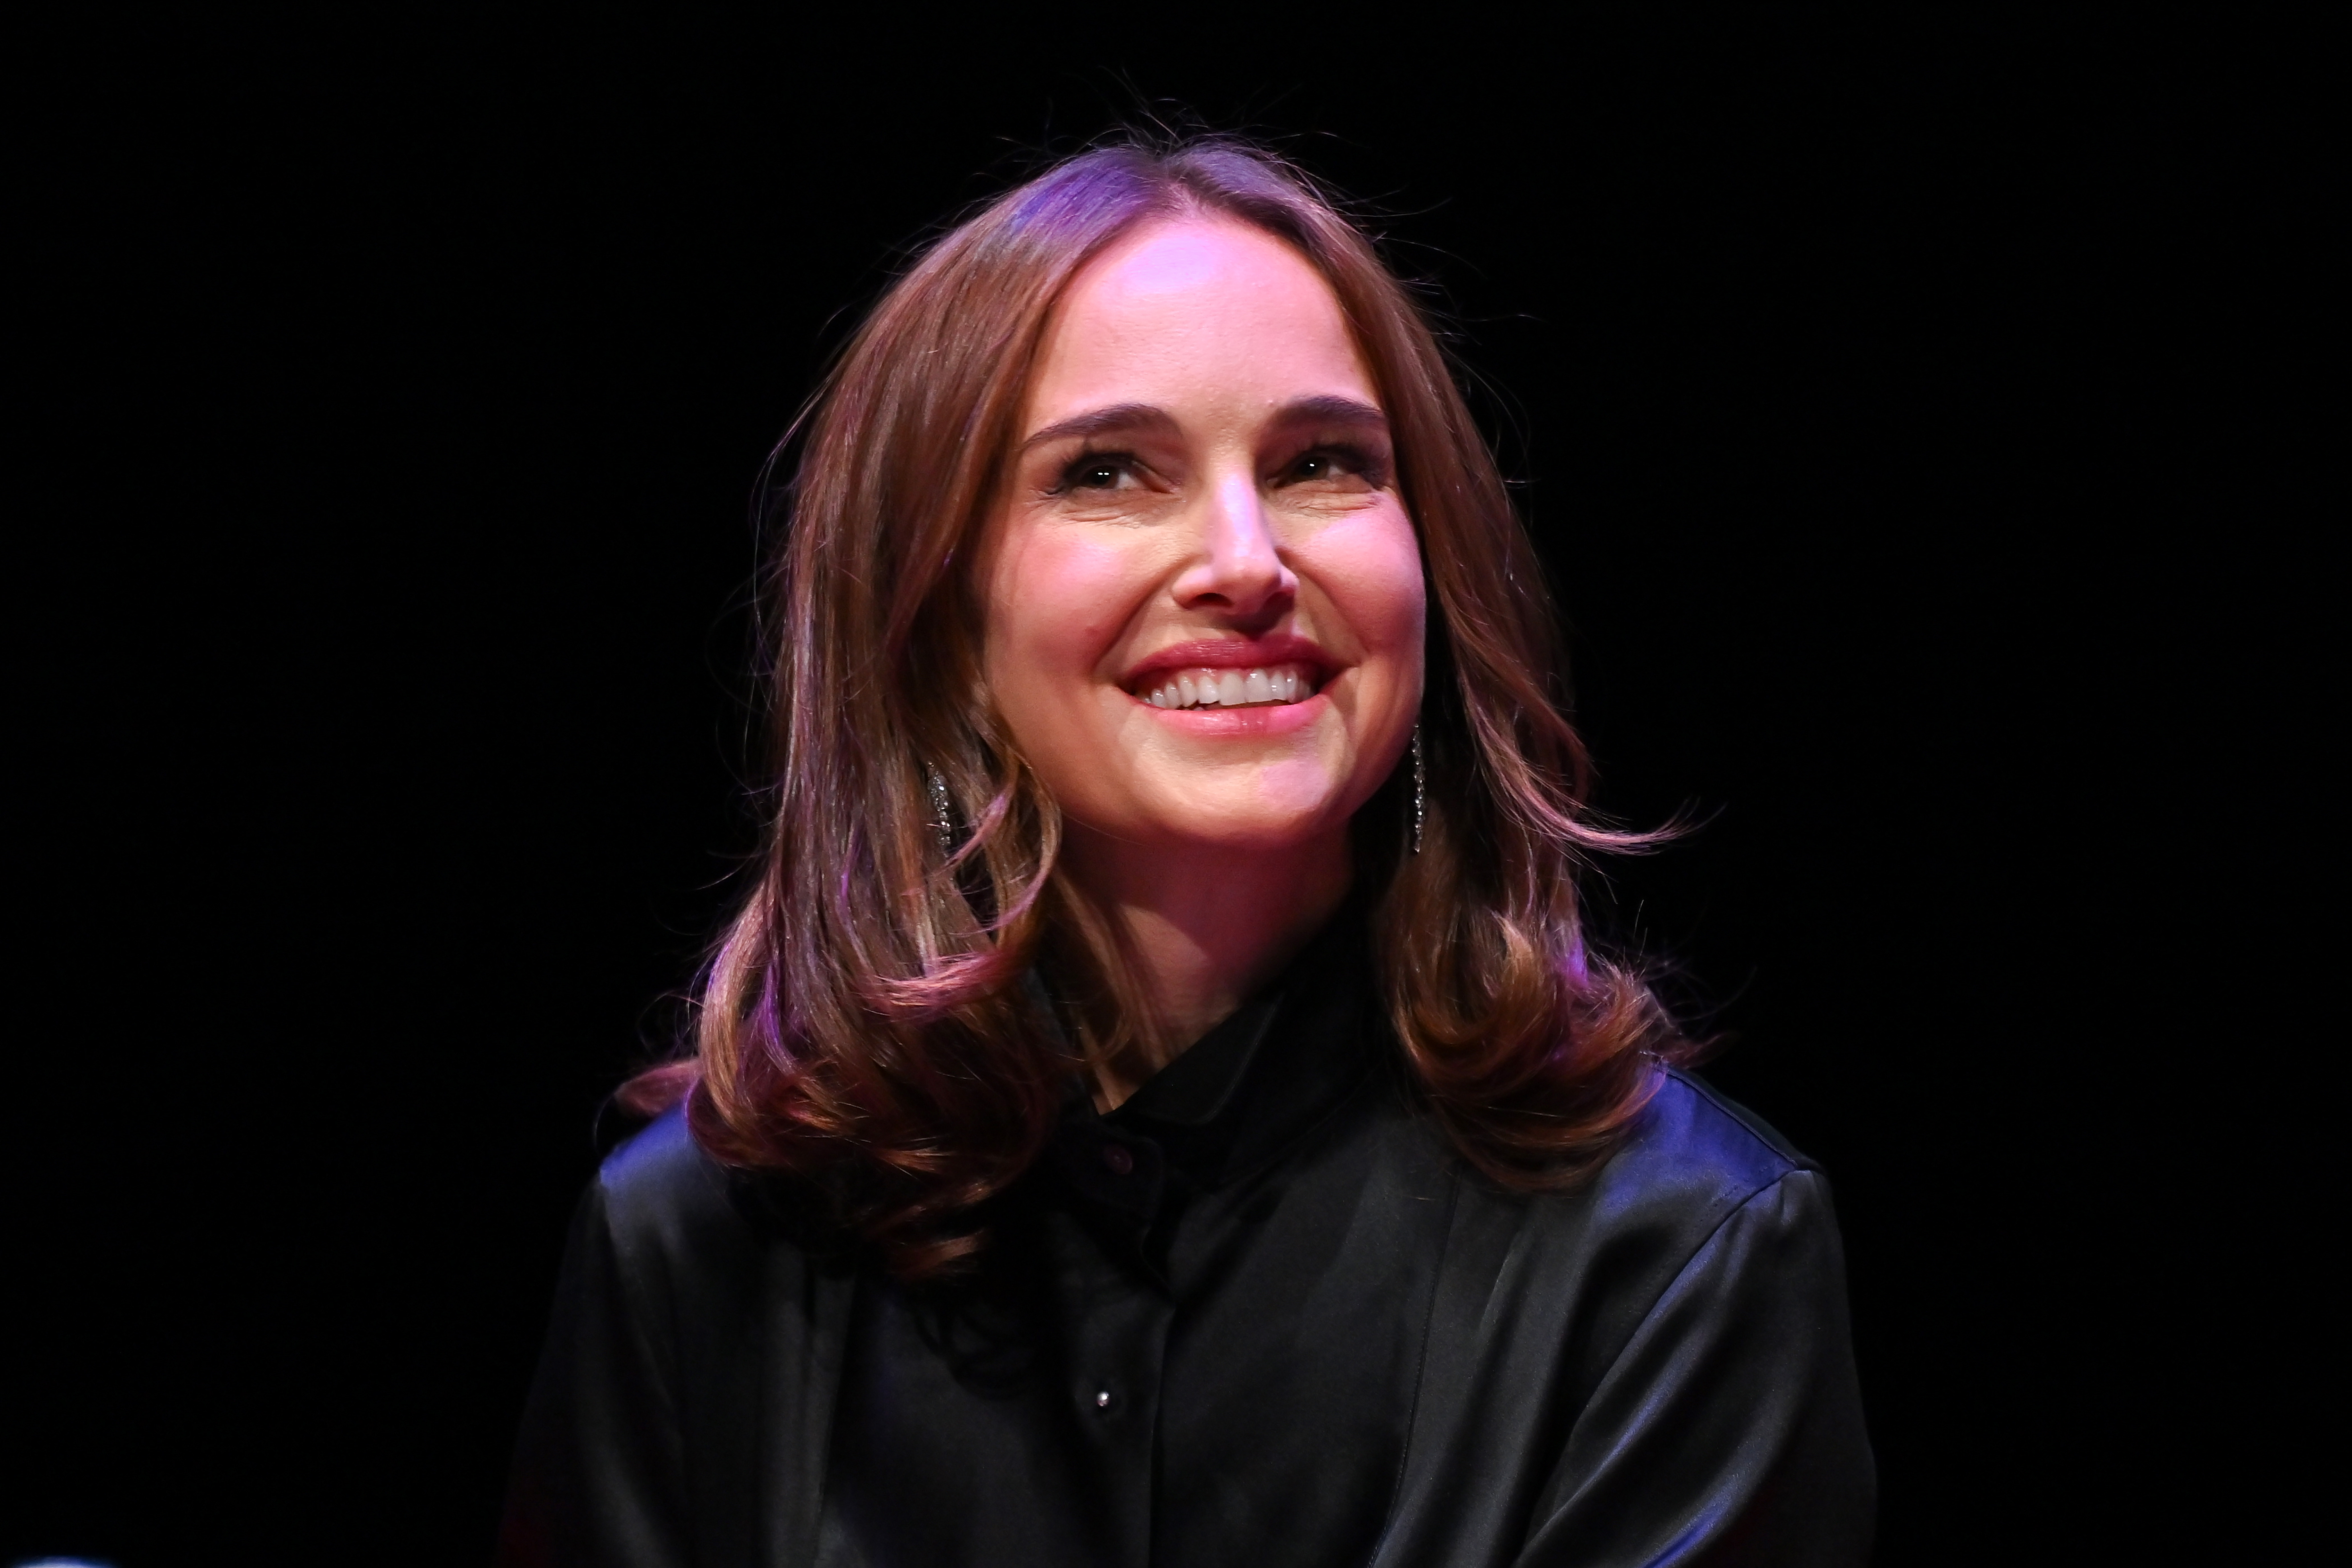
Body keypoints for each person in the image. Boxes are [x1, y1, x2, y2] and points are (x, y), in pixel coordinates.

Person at [497, 136, 1874, 1568]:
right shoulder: (695, 1247)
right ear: (937, 616)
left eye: (1322, 463)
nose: (1245, 558)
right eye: (1108, 472)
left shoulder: (1682, 1257)